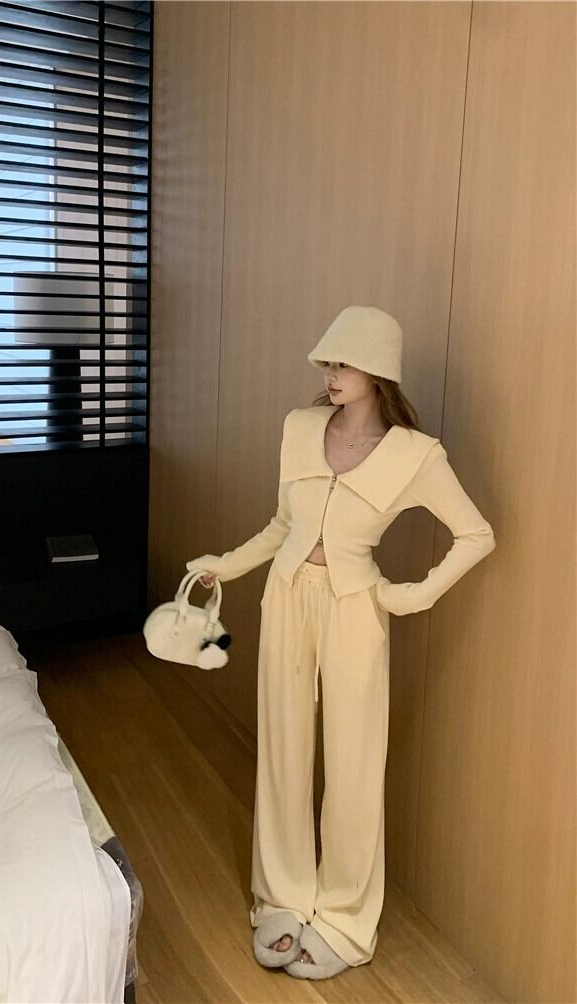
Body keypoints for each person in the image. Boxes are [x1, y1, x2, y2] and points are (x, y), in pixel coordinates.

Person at [186, 305, 496, 981]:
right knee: (283, 749)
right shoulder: (299, 428)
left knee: (355, 765)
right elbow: (281, 525)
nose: (331, 373)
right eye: (328, 361)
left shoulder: (416, 454)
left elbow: (477, 534)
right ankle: (282, 896)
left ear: (377, 370)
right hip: (286, 597)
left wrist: (413, 596)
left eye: (345, 363)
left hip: (356, 608)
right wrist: (226, 566)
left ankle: (346, 919)